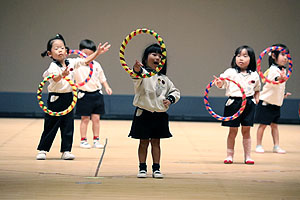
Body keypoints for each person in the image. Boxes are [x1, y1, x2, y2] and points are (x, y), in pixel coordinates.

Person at [36, 34, 110, 160]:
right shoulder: (53, 66)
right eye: (56, 48)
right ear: (50, 53)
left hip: (69, 97)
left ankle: (66, 150)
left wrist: (97, 52)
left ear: (66, 50)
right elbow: (55, 79)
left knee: (68, 125)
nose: (60, 50)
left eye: (62, 47)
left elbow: (85, 60)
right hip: (56, 99)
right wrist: (62, 74)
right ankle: (43, 149)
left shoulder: (71, 62)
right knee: (51, 124)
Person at [128, 43, 180, 178]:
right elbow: (136, 75)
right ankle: (142, 168)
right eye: (154, 54)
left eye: (160, 56)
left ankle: (156, 168)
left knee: (156, 142)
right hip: (143, 113)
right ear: (145, 59)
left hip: (159, 115)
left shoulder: (165, 79)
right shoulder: (142, 75)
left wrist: (170, 99)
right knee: (143, 141)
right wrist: (136, 69)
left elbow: (176, 92)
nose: (157, 57)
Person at [214, 45, 260, 165]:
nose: (241, 58)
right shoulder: (230, 72)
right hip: (234, 103)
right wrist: (218, 83)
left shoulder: (254, 74)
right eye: (238, 56)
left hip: (248, 104)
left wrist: (256, 99)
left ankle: (248, 156)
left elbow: (257, 89)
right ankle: (229, 155)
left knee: (246, 131)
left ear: (251, 59)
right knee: (233, 130)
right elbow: (221, 84)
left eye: (245, 56)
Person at [74, 39, 112, 149]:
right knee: (85, 119)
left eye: (91, 54)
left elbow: (102, 78)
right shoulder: (76, 64)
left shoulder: (96, 65)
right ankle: (83, 140)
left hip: (97, 95)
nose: (88, 57)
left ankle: (96, 140)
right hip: (84, 95)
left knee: (96, 119)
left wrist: (107, 87)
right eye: (85, 54)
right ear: (80, 52)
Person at [255, 44, 291, 154]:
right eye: (283, 54)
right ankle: (258, 145)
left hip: (276, 103)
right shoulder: (272, 70)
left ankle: (276, 146)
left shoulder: (283, 70)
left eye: (287, 55)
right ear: (274, 56)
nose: (285, 57)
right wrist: (279, 78)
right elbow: (272, 81)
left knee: (275, 126)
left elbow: (278, 87)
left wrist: (283, 94)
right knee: (263, 125)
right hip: (266, 102)